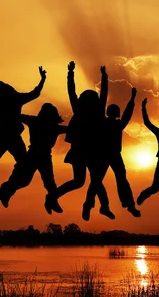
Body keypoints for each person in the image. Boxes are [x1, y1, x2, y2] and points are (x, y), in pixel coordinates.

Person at [48, 62, 115, 221]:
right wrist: (70, 73)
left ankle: (100, 206)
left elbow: (102, 93)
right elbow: (72, 92)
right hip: (80, 150)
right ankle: (53, 197)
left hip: (92, 151)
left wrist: (104, 77)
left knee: (94, 181)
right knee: (82, 181)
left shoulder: (96, 111)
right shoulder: (80, 110)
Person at [0, 103, 68, 213]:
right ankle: (6, 190)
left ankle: (52, 201)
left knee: (49, 182)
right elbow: (17, 117)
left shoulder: (49, 125)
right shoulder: (38, 122)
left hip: (43, 157)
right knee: (24, 180)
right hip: (33, 155)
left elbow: (70, 129)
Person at [86, 87, 142, 218]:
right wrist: (132, 99)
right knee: (107, 181)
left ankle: (90, 205)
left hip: (108, 155)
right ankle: (129, 205)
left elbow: (127, 114)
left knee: (99, 181)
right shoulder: (113, 124)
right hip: (108, 155)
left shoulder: (104, 123)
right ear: (117, 113)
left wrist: (132, 99)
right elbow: (127, 114)